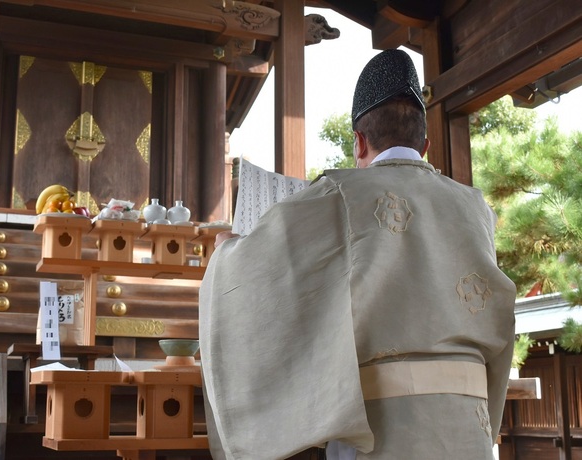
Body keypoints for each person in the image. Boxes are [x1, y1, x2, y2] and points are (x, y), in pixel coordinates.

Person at [199, 49, 516, 460]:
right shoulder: (476, 207)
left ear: (360, 142)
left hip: (382, 430)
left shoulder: (339, 193)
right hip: (468, 430)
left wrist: (226, 250)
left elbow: (250, 276)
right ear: (426, 144)